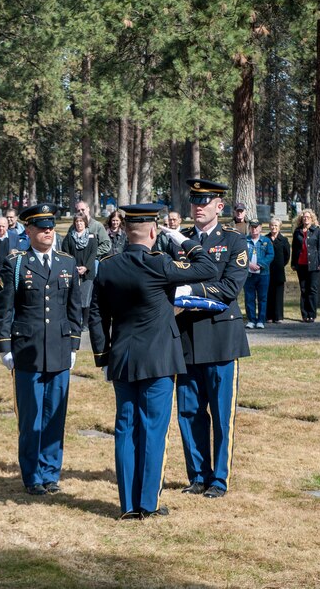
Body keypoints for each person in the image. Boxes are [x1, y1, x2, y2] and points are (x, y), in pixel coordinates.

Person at [89, 204, 216, 520]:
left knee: (126, 428)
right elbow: (208, 267)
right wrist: (183, 240)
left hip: (122, 358)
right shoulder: (160, 264)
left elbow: (94, 312)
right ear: (152, 231)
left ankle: (128, 505)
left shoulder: (107, 266)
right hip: (158, 359)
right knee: (153, 430)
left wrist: (103, 354)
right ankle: (148, 503)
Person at [0, 203, 83, 496]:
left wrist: (74, 346)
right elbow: (4, 309)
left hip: (58, 348)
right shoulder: (16, 263)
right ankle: (32, 475)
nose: (47, 232)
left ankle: (51, 472)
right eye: (41, 227)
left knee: (55, 415)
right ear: (28, 230)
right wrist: (5, 348)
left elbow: (74, 309)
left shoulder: (67, 263)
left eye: (51, 227)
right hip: (27, 349)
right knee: (31, 416)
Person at [172, 179, 250, 499]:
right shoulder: (182, 240)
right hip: (187, 337)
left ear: (220, 206)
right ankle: (198, 476)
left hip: (220, 337)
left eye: (205, 201)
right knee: (189, 411)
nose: (198, 206)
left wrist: (188, 291)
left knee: (220, 415)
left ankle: (219, 480)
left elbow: (229, 289)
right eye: (194, 201)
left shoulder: (233, 241)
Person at [62, 212, 97, 329]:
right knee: (74, 297)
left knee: (86, 298)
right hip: (73, 271)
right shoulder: (69, 237)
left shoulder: (92, 237)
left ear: (85, 223)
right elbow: (66, 253)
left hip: (88, 272)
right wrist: (74, 267)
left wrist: (86, 267)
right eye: (77, 221)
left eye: (81, 221)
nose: (79, 224)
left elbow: (93, 254)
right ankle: (74, 321)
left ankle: (85, 323)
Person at [290, 208, 320, 323]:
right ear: (301, 219)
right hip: (301, 264)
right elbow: (294, 249)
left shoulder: (317, 231)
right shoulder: (297, 231)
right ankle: (304, 314)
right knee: (304, 289)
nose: (306, 219)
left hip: (314, 264)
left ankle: (312, 314)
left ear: (312, 219)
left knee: (312, 289)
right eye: (304, 217)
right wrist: (293, 263)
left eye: (308, 217)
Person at [243, 220, 274, 330]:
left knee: (262, 298)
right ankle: (251, 320)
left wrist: (260, 265)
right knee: (249, 297)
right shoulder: (244, 240)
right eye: (252, 227)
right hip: (249, 275)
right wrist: (249, 264)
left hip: (263, 274)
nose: (254, 229)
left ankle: (261, 320)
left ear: (260, 228)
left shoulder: (266, 241)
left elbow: (270, 255)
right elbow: (240, 254)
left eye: (256, 227)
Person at [265, 218, 291, 323]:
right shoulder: (265, 239)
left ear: (279, 227)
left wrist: (280, 264)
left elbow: (287, 256)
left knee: (278, 295)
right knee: (268, 294)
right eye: (272, 225)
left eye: (276, 225)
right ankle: (269, 316)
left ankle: (278, 316)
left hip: (279, 271)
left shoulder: (284, 240)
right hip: (267, 271)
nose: (273, 227)